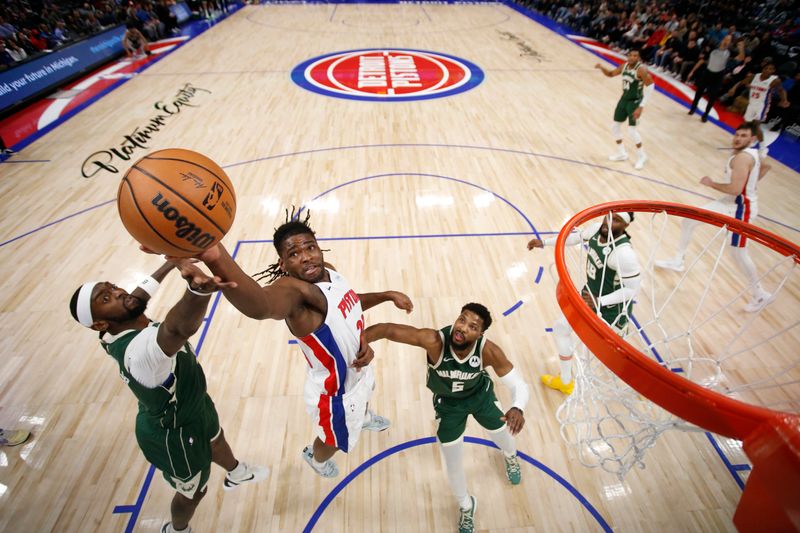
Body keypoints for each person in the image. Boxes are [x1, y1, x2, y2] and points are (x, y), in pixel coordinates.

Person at [195, 210, 413, 478]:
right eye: (294, 254)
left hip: (358, 369)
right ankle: (316, 459)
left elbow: (348, 302)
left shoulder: (329, 272)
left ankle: (364, 417)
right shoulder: (294, 293)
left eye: (310, 247)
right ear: (283, 264)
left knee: (367, 391)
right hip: (335, 393)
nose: (307, 256)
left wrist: (386, 296)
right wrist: (217, 258)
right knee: (332, 441)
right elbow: (260, 306)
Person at [69, 260, 268, 533]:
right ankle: (177, 529)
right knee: (194, 492)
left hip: (193, 405)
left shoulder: (120, 323)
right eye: (106, 297)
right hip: (173, 433)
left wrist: (170, 261)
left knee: (216, 438)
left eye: (113, 287)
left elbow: (136, 297)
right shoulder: (139, 354)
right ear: (100, 323)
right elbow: (177, 329)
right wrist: (198, 292)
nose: (118, 293)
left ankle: (235, 472)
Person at [364, 303, 528, 533]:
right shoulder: (434, 341)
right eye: (462, 319)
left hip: (481, 398)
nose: (462, 328)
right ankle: (466, 505)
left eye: (472, 326)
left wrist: (517, 408)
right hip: (448, 406)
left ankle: (510, 456)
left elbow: (518, 384)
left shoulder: (489, 351)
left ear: (480, 334)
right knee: (452, 461)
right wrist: (359, 343)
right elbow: (387, 329)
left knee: (503, 435)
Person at [655, 122, 774, 312]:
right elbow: (763, 169)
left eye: (743, 136)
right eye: (737, 134)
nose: (737, 138)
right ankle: (678, 260)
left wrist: (711, 183)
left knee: (738, 254)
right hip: (731, 202)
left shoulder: (742, 158)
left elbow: (735, 189)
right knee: (689, 220)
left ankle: (760, 294)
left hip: (741, 210)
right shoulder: (750, 155)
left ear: (752, 139)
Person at [528, 212, 642, 394]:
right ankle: (566, 381)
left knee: (615, 355)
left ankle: (641, 384)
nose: (609, 222)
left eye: (617, 220)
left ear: (625, 226)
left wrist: (600, 301)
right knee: (561, 328)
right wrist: (545, 242)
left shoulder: (624, 254)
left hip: (611, 310)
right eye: (609, 216)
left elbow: (631, 290)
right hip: (589, 298)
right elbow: (573, 238)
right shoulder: (597, 229)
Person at [595, 49, 655, 170]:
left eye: (635, 55)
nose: (632, 57)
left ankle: (642, 156)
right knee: (615, 127)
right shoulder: (624, 66)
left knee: (632, 131)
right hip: (624, 100)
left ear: (638, 58)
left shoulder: (641, 69)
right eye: (630, 55)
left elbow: (651, 86)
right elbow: (611, 74)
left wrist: (641, 106)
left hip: (635, 102)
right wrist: (602, 68)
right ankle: (622, 153)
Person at [726, 61, 790, 157]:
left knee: (756, 126)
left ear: (773, 71)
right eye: (767, 68)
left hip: (762, 106)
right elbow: (742, 82)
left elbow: (781, 90)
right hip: (752, 104)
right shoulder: (755, 76)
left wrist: (784, 100)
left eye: (771, 69)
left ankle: (763, 147)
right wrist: (733, 88)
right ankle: (747, 142)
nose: (768, 70)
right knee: (746, 125)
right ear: (763, 69)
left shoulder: (774, 80)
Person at [687, 35, 745, 123]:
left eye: (728, 40)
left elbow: (741, 58)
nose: (726, 41)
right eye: (725, 39)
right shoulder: (713, 47)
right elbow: (702, 60)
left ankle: (705, 115)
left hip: (718, 76)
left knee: (712, 97)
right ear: (723, 39)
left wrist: (741, 49)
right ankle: (693, 108)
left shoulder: (730, 52)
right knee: (699, 92)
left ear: (730, 43)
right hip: (708, 72)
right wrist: (692, 71)